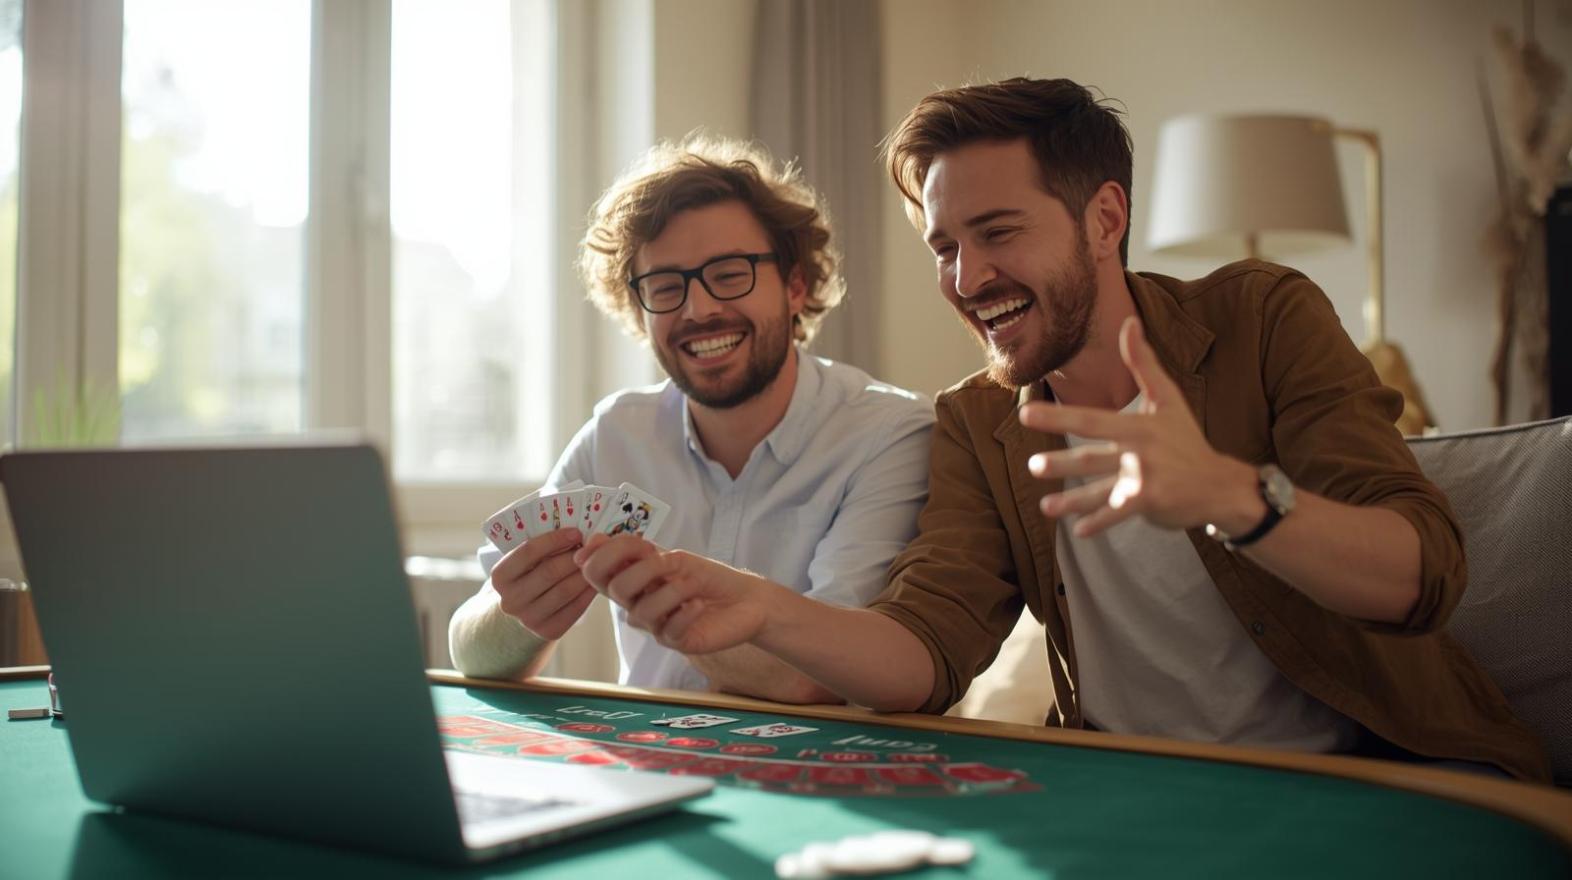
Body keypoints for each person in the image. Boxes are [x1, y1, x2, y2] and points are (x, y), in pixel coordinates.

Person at [574, 78, 1550, 781]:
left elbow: (1424, 571)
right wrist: (759, 612)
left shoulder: (1261, 318)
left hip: (1375, 777)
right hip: (1125, 788)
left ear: (1104, 217)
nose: (966, 279)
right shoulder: (980, 422)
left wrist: (1234, 498)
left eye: (998, 233)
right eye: (945, 248)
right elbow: (926, 653)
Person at [448, 137, 934, 703]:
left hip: (821, 770)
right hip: (647, 764)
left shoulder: (888, 434)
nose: (698, 310)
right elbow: (473, 653)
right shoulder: (616, 434)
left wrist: (662, 606)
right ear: (638, 306)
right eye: (666, 286)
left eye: (730, 274)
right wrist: (516, 617)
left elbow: (825, 677)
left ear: (795, 285)